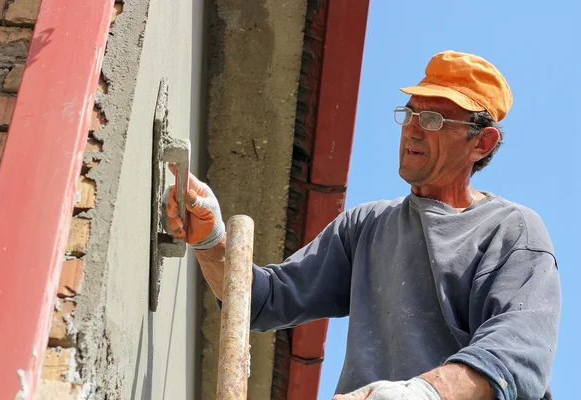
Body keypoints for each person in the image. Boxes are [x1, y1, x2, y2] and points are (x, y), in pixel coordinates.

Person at [164, 50, 561, 400]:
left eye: (435, 119)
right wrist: (212, 240)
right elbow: (262, 301)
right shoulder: (368, 225)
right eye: (409, 113)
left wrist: (424, 393)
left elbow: (516, 356)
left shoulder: (511, 231)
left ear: (482, 143)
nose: (413, 128)